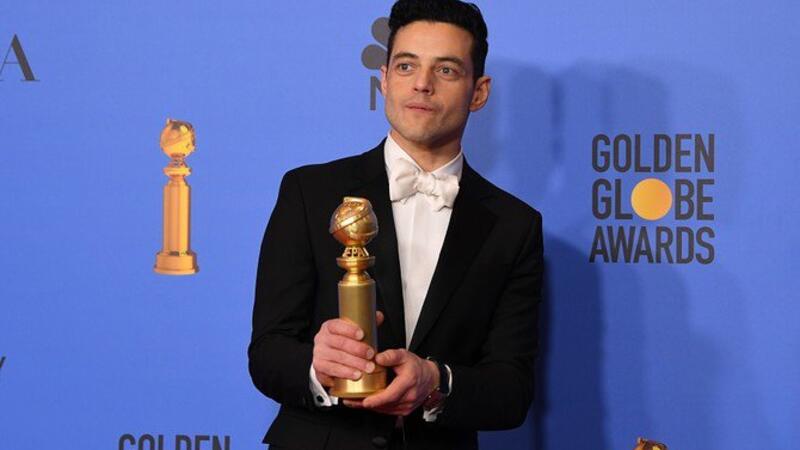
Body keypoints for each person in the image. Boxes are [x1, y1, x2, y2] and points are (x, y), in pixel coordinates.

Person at [248, 1, 543, 448]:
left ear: (478, 92)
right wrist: (317, 366)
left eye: (446, 70)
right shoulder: (309, 191)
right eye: (406, 66)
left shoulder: (514, 225)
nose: (422, 83)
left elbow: (511, 391)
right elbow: (268, 352)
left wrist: (436, 381)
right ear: (384, 79)